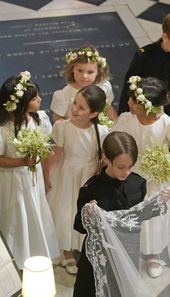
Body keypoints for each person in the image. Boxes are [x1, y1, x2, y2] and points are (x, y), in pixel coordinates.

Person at [112, 76, 170, 278]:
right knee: (131, 209)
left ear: (145, 106)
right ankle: (131, 246)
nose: (128, 102)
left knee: (154, 215)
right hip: (131, 173)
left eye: (133, 100)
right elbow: (115, 141)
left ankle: (153, 253)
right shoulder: (126, 120)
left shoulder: (167, 124)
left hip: (155, 177)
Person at [0, 71, 59, 269]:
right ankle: (12, 256)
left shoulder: (39, 119)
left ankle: (34, 251)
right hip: (12, 182)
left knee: (34, 212)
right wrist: (22, 161)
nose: (40, 100)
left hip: (33, 180)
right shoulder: (0, 129)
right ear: (20, 104)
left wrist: (45, 175)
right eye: (35, 98)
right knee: (15, 217)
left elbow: (44, 148)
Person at [73, 131, 147, 297]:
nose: (126, 172)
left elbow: (138, 220)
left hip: (127, 252)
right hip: (98, 257)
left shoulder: (138, 183)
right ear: (106, 159)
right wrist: (89, 215)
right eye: (121, 167)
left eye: (130, 166)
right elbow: (78, 225)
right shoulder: (91, 188)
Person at [44, 85, 109, 274]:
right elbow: (55, 154)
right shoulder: (62, 127)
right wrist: (47, 177)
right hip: (66, 173)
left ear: (94, 113)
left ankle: (81, 244)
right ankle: (66, 250)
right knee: (65, 211)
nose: (74, 109)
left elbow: (102, 157)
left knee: (82, 211)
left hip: (87, 175)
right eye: (74, 103)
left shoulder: (101, 131)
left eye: (81, 108)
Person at [118, 10, 170, 132]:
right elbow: (129, 87)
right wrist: (122, 117)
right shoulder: (145, 56)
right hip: (146, 118)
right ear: (165, 37)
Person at [50, 44, 116, 122]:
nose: (84, 76)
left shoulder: (104, 86)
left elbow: (108, 108)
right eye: (80, 70)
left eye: (90, 72)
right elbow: (58, 118)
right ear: (72, 69)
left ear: (98, 72)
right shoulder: (64, 95)